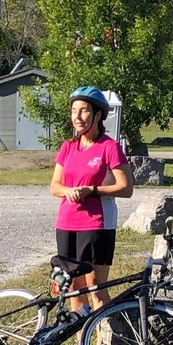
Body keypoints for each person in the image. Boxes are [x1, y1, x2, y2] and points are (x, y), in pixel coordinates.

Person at [49, 86, 134, 316]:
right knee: (75, 288)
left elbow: (126, 188)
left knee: (96, 287)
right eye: (74, 110)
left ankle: (102, 344)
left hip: (97, 223)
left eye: (84, 111)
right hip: (67, 223)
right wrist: (68, 191)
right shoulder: (68, 147)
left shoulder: (109, 147)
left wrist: (93, 190)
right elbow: (54, 186)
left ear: (98, 115)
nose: (77, 117)